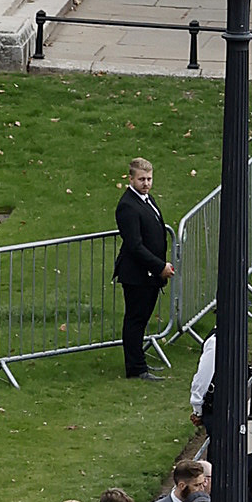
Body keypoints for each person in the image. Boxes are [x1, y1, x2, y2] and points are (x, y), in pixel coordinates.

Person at [112, 164, 172, 384]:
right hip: (137, 275)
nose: (146, 183)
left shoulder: (147, 200)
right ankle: (136, 367)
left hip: (150, 273)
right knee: (135, 320)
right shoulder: (127, 206)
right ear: (130, 179)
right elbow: (135, 245)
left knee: (141, 319)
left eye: (149, 179)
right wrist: (159, 267)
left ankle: (139, 362)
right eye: (141, 180)